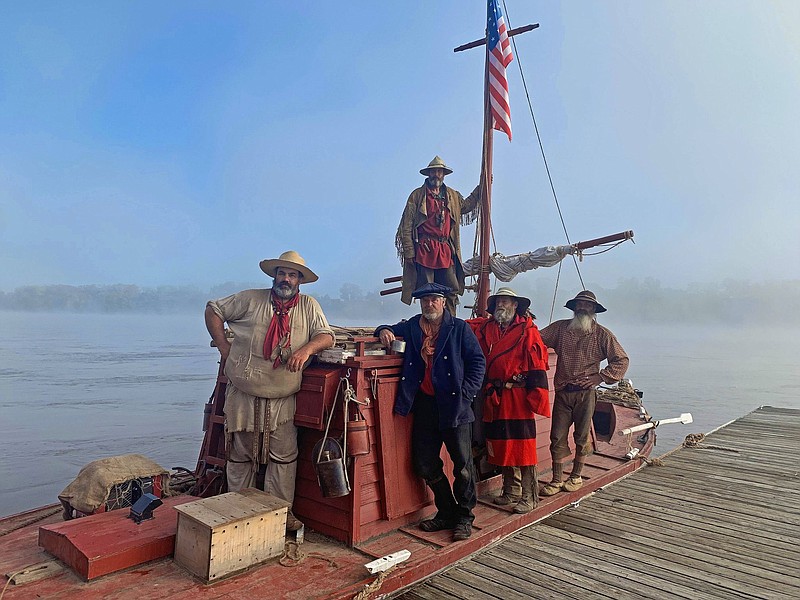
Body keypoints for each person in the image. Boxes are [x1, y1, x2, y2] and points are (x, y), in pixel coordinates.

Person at [205, 250, 334, 530]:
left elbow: (326, 335)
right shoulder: (250, 299)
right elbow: (213, 309)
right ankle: (237, 512)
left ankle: (281, 514)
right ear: (274, 276)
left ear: (300, 280)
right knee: (239, 455)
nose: (285, 279)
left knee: (284, 458)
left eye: (292, 274)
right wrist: (224, 347)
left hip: (283, 398)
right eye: (281, 273)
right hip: (243, 392)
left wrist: (307, 349)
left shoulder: (309, 306)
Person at [375, 282, 486, 541]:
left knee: (464, 466)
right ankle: (446, 511)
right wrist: (384, 331)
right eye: (424, 300)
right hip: (426, 405)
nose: (429, 304)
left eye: (434, 299)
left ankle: (464, 517)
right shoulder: (414, 326)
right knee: (425, 462)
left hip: (455, 405)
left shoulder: (459, 329)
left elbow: (478, 362)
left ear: (444, 302)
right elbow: (389, 328)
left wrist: (467, 393)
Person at [467, 288, 550, 514]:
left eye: (506, 302)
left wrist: (537, 398)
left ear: (516, 306)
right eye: (498, 302)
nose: (501, 306)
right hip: (494, 396)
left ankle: (530, 496)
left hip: (517, 397)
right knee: (501, 444)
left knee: (522, 447)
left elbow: (537, 366)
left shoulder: (528, 331)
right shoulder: (486, 327)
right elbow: (462, 327)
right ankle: (510, 490)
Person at [538, 290, 629, 495]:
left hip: (586, 393)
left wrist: (601, 377)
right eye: (579, 304)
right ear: (574, 307)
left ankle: (576, 476)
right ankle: (556, 479)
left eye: (587, 305)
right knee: (557, 435)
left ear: (594, 310)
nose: (582, 308)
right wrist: (524, 322)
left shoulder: (602, 334)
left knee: (581, 436)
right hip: (563, 391)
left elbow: (621, 360)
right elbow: (536, 338)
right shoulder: (561, 328)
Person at [396, 156, 481, 315]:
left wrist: (481, 187)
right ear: (428, 174)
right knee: (427, 291)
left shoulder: (452, 195)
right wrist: (409, 252)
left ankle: (450, 323)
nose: (437, 174)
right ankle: (429, 323)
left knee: (451, 289)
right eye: (434, 171)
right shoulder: (417, 196)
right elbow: (405, 227)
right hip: (424, 250)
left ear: (444, 174)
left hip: (445, 249)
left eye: (439, 172)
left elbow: (467, 205)